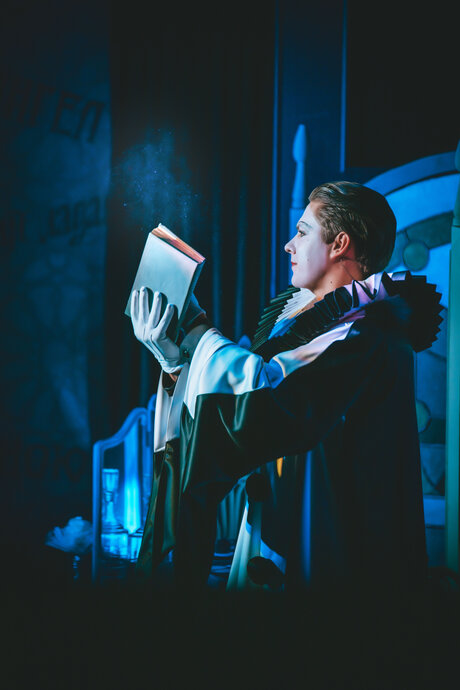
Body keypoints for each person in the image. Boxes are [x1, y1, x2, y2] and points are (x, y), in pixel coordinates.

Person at [131, 181, 442, 593]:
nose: (288, 245)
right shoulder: (316, 326)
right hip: (283, 529)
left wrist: (196, 332)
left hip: (328, 546)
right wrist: (177, 363)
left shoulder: (366, 334)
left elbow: (271, 403)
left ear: (340, 244)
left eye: (302, 231)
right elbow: (248, 406)